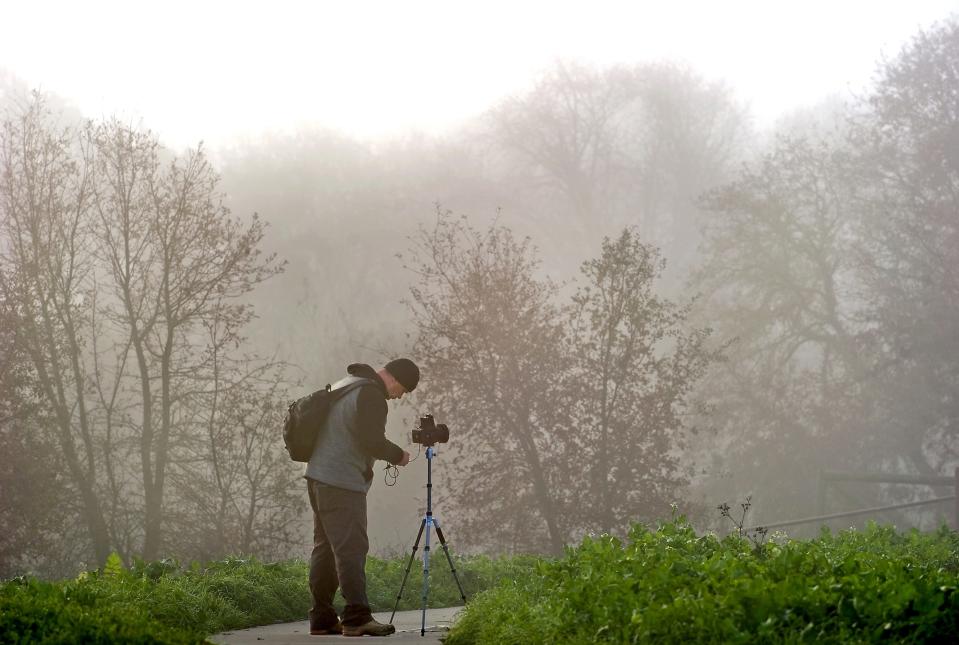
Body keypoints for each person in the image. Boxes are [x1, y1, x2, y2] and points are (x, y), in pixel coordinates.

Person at [305, 358, 418, 637]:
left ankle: (321, 618)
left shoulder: (348, 384)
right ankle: (356, 618)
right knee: (351, 549)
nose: (399, 396)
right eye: (402, 389)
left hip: (318, 475)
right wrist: (398, 456)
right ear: (394, 378)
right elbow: (371, 440)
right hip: (342, 481)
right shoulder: (371, 394)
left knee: (326, 548)